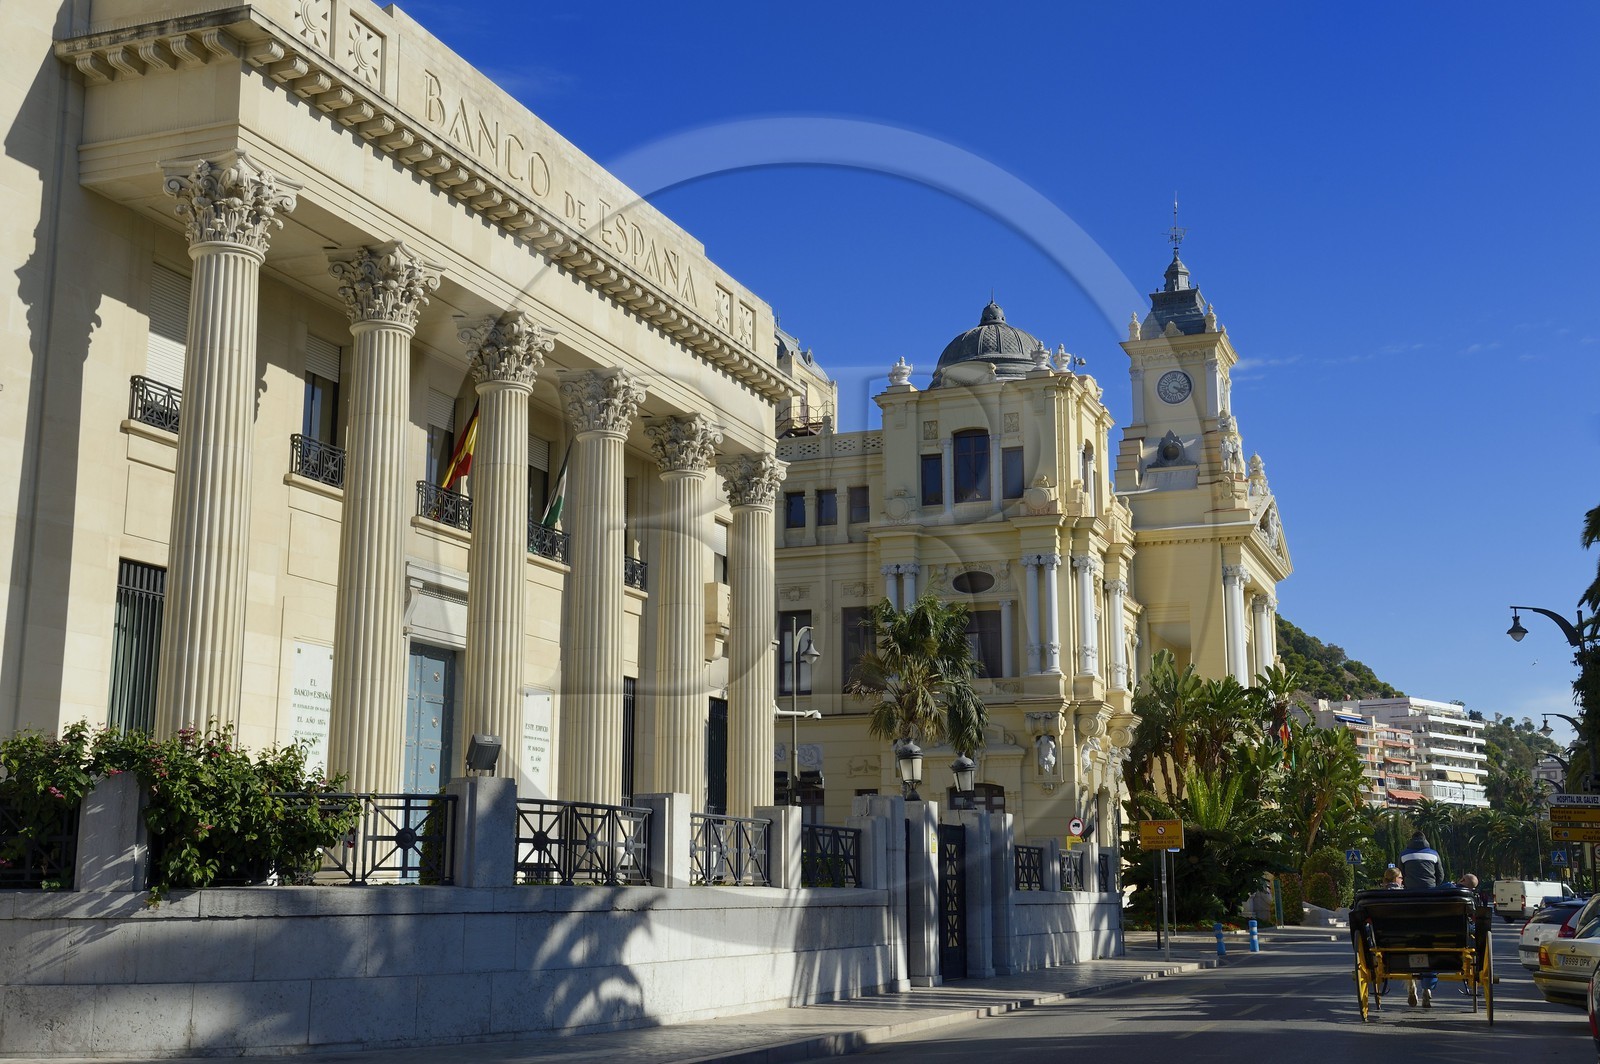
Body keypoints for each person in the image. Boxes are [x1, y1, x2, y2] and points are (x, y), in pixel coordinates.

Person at [1399, 833, 1443, 1007]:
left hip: (1410, 898)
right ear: (1426, 841)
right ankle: (1427, 989)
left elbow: (1401, 875)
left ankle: (1412, 988)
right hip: (1430, 898)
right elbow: (1440, 876)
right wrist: (1432, 888)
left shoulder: (1404, 854)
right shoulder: (1433, 853)